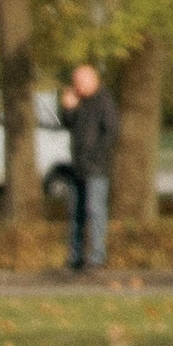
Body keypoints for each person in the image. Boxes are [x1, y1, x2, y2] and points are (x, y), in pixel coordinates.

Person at [61, 62, 118, 274]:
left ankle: (96, 257)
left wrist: (96, 156)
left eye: (80, 82)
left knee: (95, 211)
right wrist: (68, 108)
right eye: (75, 83)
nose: (76, 86)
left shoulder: (104, 101)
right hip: (77, 165)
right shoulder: (79, 101)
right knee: (75, 213)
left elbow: (111, 132)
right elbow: (68, 124)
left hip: (96, 167)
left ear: (92, 80)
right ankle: (75, 257)